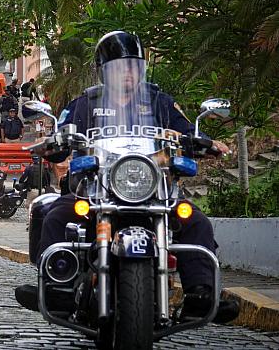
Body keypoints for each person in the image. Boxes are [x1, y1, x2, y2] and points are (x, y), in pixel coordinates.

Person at [15, 30, 238, 324]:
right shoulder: (86, 103)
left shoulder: (159, 102)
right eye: (120, 68)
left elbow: (187, 131)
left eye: (133, 67)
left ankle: (202, 295)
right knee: (58, 213)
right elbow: (62, 132)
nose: (128, 74)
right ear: (104, 72)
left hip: (153, 189)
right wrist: (53, 145)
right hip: (95, 190)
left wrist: (205, 142)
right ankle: (57, 288)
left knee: (194, 220)